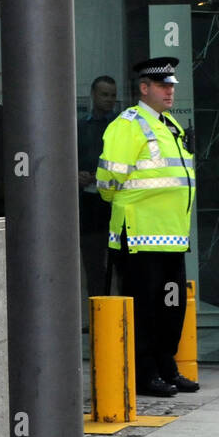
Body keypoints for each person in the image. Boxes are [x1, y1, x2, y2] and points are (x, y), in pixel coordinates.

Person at [97, 57, 197, 397]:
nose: (170, 91)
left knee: (171, 307)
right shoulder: (129, 124)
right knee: (145, 308)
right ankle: (145, 372)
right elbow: (108, 181)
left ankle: (167, 367)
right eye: (163, 86)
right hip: (140, 235)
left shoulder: (170, 126)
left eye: (172, 86)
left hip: (171, 235)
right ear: (144, 88)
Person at [78, 75, 119, 296]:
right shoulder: (80, 127)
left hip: (115, 206)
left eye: (113, 95)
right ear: (93, 95)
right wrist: (76, 176)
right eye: (104, 94)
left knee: (121, 266)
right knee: (93, 266)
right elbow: (68, 160)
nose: (109, 99)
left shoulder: (122, 127)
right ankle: (99, 317)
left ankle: (121, 318)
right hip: (89, 206)